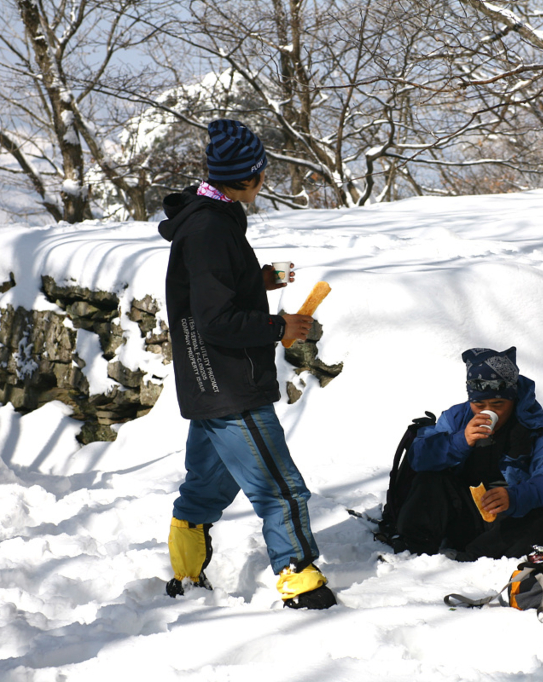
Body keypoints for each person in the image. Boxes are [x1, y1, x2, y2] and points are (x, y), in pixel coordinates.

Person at [158, 119, 335, 610]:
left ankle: (186, 572)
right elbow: (216, 321)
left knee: (205, 487)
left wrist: (255, 280)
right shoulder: (212, 228)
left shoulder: (210, 216)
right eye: (262, 175)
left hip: (208, 386)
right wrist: (281, 327)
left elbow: (208, 292)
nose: (264, 183)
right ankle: (299, 579)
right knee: (280, 487)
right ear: (252, 176)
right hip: (231, 386)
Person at [395, 347, 543, 560]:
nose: (488, 411)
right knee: (429, 480)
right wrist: (460, 441)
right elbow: (419, 458)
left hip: (511, 520)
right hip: (466, 514)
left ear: (513, 397)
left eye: (498, 404)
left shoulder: (538, 426)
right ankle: (413, 553)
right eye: (479, 404)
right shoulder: (456, 418)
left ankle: (472, 559)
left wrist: (515, 497)